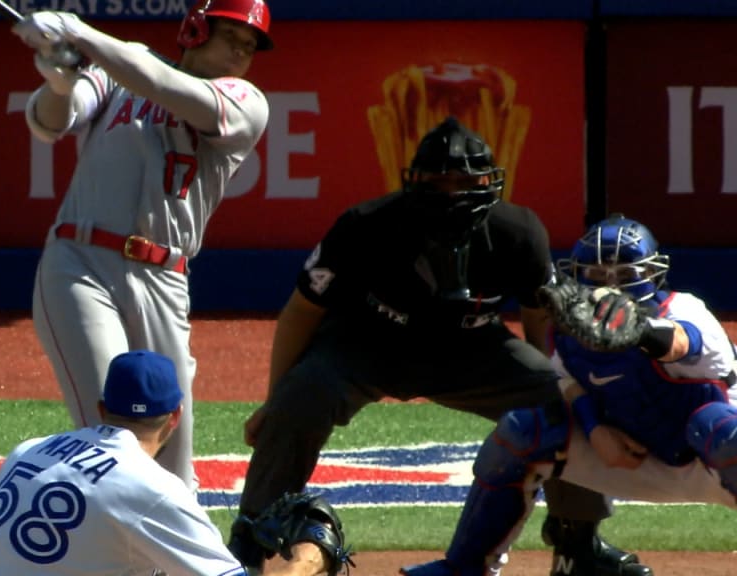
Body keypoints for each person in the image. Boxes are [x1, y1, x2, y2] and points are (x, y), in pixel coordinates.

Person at [227, 117, 652, 576]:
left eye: (465, 181)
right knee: (301, 395)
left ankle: (577, 544)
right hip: (368, 343)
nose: (452, 192)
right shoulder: (365, 225)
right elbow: (302, 311)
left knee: (564, 404)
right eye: (439, 180)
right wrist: (275, 401)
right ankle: (250, 539)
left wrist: (558, 388)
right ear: (415, 182)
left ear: (489, 183)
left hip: (474, 351)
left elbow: (539, 317)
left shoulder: (519, 231)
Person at [405, 215, 737, 576]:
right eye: (595, 276)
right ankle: (463, 568)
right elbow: (565, 383)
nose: (610, 288)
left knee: (723, 430)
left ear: (653, 276)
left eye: (625, 277)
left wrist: (640, 329)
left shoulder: (684, 310)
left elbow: (685, 343)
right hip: (634, 451)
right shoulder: (571, 325)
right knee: (524, 428)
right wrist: (594, 429)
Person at [10, 0, 273, 490]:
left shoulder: (246, 100)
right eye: (231, 37)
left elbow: (160, 83)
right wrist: (61, 83)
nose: (241, 52)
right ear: (196, 29)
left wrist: (80, 33)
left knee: (172, 464)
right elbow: (49, 124)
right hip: (80, 264)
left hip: (164, 278)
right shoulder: (117, 70)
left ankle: (189, 568)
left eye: (250, 45)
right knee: (112, 442)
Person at [0, 349, 342, 576]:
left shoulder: (31, 450)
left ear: (101, 409)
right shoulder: (154, 489)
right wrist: (307, 560)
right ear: (175, 417)